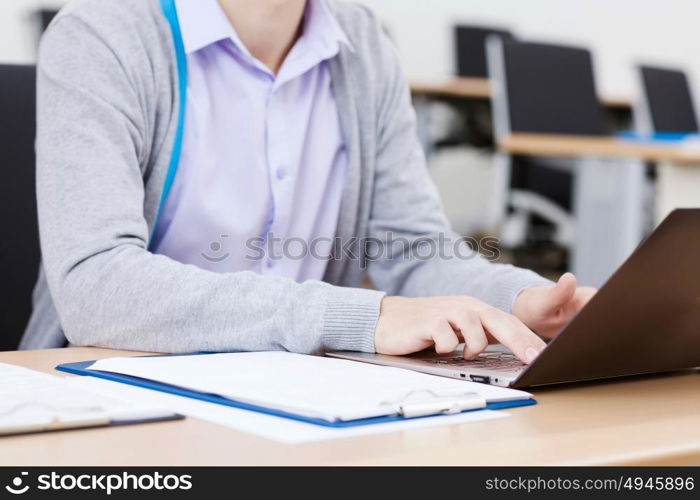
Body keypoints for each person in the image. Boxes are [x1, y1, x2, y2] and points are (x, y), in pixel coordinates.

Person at [21, 0, 595, 363]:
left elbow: (410, 249)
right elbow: (94, 286)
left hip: (306, 390)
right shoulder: (103, 33)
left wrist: (520, 301)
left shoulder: (362, 45)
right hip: (111, 385)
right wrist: (364, 317)